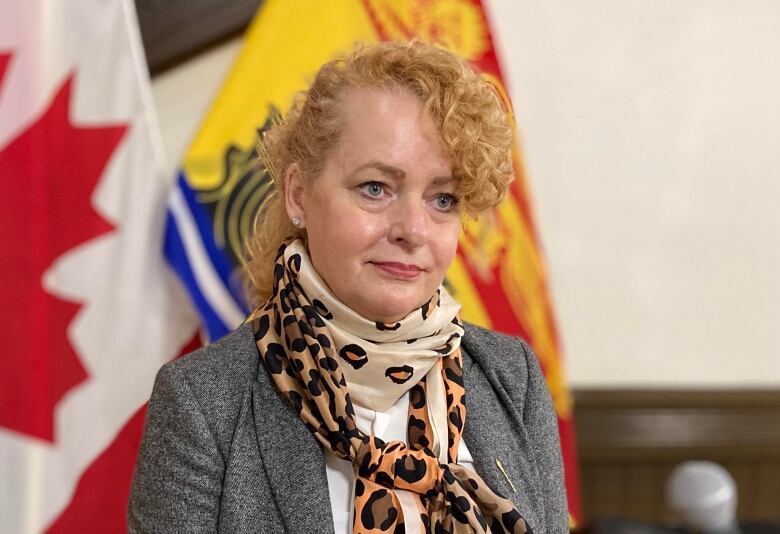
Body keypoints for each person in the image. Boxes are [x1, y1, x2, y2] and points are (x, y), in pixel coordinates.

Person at [128, 41, 568, 533]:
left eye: (442, 198)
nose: (413, 229)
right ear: (299, 194)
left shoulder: (513, 377)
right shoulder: (202, 403)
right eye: (375, 188)